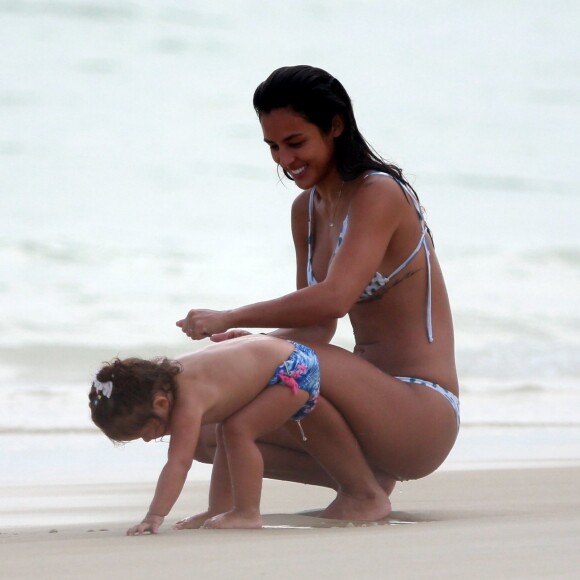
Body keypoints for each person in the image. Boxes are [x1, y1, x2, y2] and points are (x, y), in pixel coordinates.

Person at [175, 65, 460, 496]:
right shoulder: (305, 210)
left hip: (421, 412)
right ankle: (365, 482)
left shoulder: (377, 194)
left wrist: (232, 321)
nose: (284, 160)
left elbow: (333, 301)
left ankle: (363, 499)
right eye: (272, 146)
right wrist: (250, 342)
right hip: (365, 413)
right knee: (205, 429)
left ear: (335, 126)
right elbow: (316, 330)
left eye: (295, 143)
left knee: (272, 362)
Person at [89, 335, 392, 534]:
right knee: (226, 430)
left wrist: (154, 516)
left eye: (146, 431)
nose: (146, 439)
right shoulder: (156, 381)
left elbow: (178, 463)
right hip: (280, 358)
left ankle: (248, 512)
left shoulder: (187, 398)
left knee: (237, 430)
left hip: (293, 369)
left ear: (160, 403)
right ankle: (220, 507)